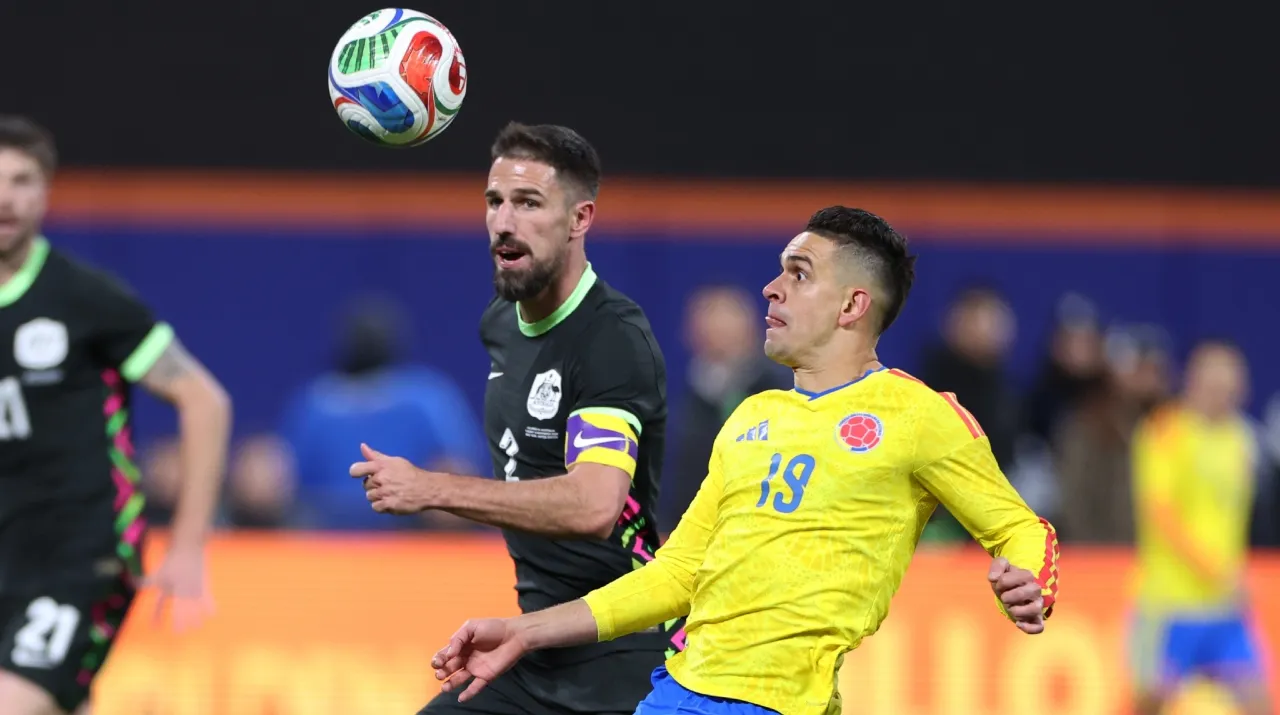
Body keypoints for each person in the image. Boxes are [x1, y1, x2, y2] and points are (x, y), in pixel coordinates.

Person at [427, 206, 1061, 715]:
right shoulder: (752, 417)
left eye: (799, 272)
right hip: (673, 693)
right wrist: (524, 631)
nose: (772, 286)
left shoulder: (919, 415)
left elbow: (1019, 528)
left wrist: (1028, 582)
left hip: (776, 702)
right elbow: (675, 576)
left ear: (851, 306)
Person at [350, 122, 682, 714]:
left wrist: (431, 488)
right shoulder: (501, 324)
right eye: (495, 202)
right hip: (536, 652)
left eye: (529, 203)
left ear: (580, 220)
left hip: (627, 664)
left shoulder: (611, 339)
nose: (504, 222)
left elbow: (594, 504)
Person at [0, 115, 232, 715]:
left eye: (22, 180)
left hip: (82, 553)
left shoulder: (82, 298)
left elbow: (204, 400)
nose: (5, 197)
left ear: (46, 191)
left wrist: (187, 544)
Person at [1129, 340, 1272, 715]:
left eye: (1231, 383)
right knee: (1147, 704)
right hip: (1168, 604)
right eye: (1214, 381)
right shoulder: (1164, 430)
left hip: (1224, 608)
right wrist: (1216, 570)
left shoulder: (1242, 438)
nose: (1223, 391)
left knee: (1260, 702)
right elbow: (1161, 516)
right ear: (1192, 381)